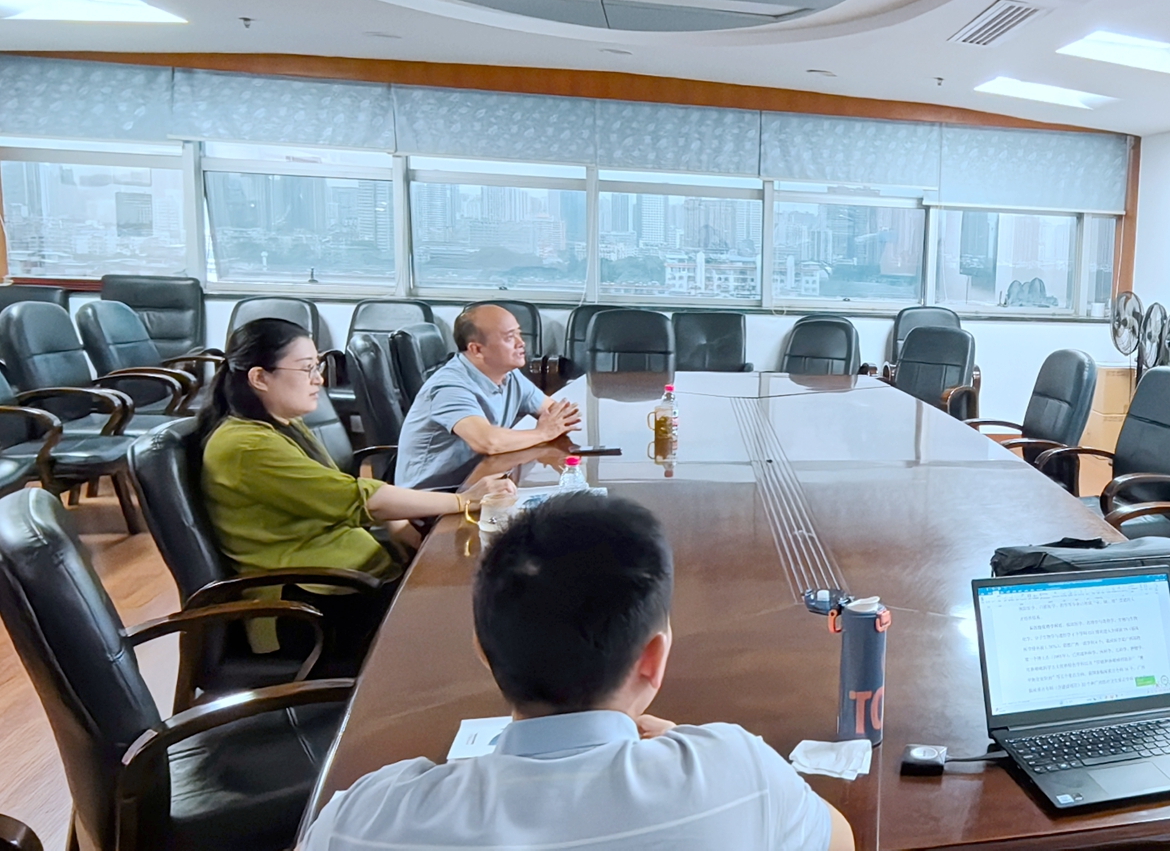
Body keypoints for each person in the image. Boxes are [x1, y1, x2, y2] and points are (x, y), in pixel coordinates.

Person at [299, 492, 856, 851]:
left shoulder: (363, 821)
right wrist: (688, 743)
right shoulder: (739, 775)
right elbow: (839, 840)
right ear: (653, 659)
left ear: (482, 650)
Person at [199, 317, 515, 656]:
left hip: (348, 582)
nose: (318, 379)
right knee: (466, 612)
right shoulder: (246, 447)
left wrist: (397, 523)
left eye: (317, 366)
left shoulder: (279, 426)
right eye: (306, 368)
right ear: (259, 377)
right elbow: (353, 497)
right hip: (307, 607)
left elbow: (338, 491)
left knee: (474, 588)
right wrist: (464, 501)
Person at [396, 303, 581, 489]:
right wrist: (543, 433)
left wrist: (559, 421)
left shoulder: (509, 375)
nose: (521, 343)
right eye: (510, 337)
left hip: (480, 480)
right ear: (477, 349)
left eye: (519, 333)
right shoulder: (450, 387)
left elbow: (556, 412)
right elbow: (488, 442)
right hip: (434, 497)